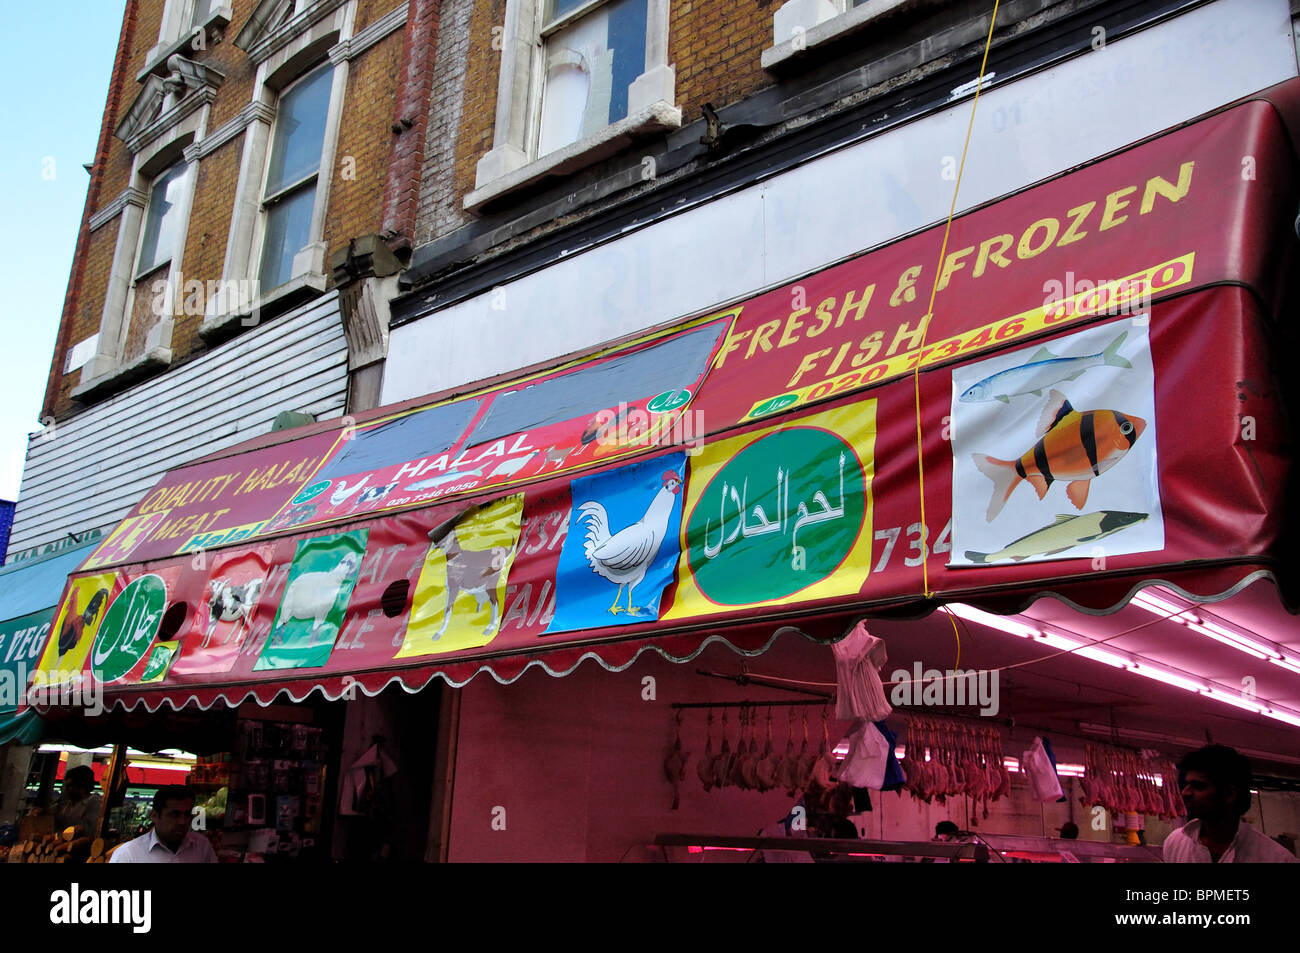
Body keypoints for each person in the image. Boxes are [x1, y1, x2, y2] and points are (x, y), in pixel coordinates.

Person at [1162, 745, 1297, 863]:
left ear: (1229, 794)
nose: (1185, 793)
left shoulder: (1277, 859)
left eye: (1198, 786)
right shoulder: (1176, 843)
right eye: (1186, 785)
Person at [109, 786, 217, 864]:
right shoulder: (128, 855)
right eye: (174, 814)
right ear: (155, 815)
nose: (182, 822)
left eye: (187, 814)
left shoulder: (202, 847)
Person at [55, 765, 102, 833]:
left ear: (82, 787)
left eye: (70, 786)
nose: (66, 789)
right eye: (66, 785)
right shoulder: (68, 805)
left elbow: (89, 829)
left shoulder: (95, 803)